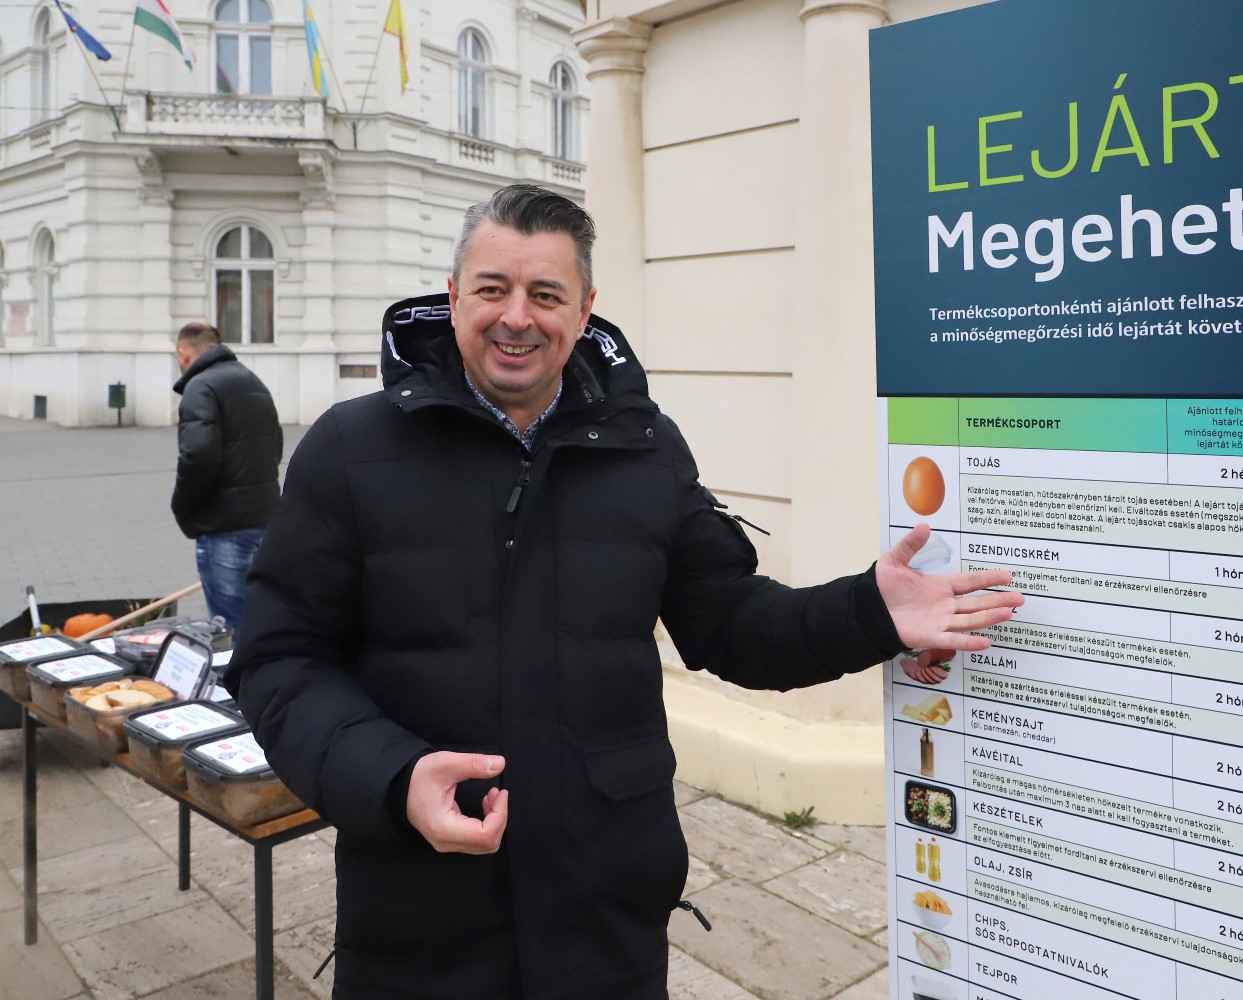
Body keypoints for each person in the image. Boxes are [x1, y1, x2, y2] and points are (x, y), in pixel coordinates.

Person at [226, 185, 1023, 999]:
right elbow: (279, 662)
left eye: (546, 295)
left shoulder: (646, 448)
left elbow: (734, 624)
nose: (516, 317)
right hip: (419, 918)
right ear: (454, 294)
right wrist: (396, 778)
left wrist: (872, 612)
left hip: (604, 917)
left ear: (584, 310)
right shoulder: (349, 448)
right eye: (493, 289)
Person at [170, 321, 282, 630]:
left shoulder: (200, 387)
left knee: (231, 627)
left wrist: (182, 509)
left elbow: (198, 456)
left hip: (224, 527)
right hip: (264, 520)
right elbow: (275, 445)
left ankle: (236, 666)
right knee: (261, 621)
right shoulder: (252, 380)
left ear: (183, 353)